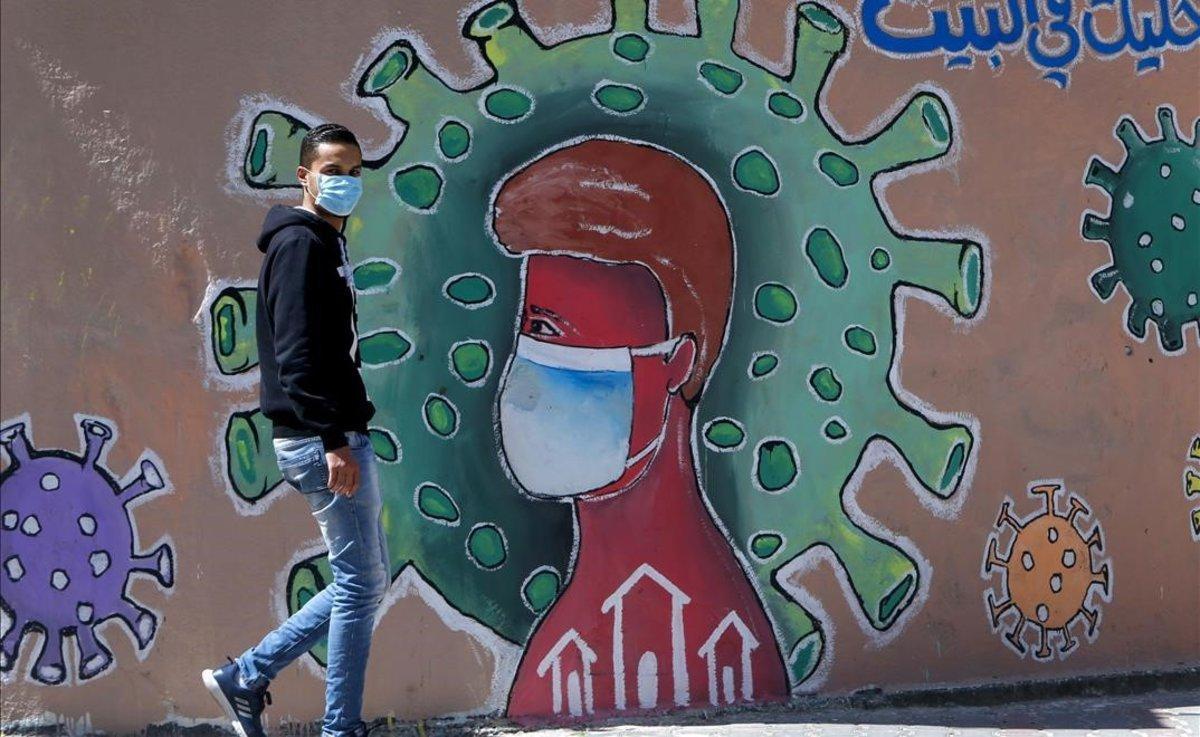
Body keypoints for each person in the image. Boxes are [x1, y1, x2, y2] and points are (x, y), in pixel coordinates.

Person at [492, 139, 788, 720]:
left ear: (677, 362)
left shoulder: (714, 644)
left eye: (550, 329)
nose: (528, 371)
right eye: (528, 330)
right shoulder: (573, 637)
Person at [201, 123, 389, 737]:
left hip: (325, 432)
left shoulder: (323, 243)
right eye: (333, 170)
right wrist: (333, 439)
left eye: (355, 171)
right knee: (361, 585)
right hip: (319, 439)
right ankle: (339, 728)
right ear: (304, 175)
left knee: (362, 581)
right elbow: (297, 354)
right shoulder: (300, 246)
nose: (346, 182)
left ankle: (247, 676)